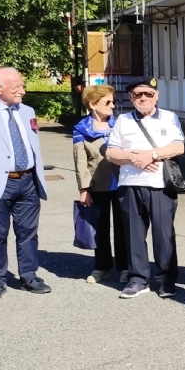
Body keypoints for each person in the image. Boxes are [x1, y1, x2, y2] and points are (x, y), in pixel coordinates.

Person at [0, 67, 51, 300]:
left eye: (22, 86)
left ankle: (29, 276)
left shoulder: (27, 111)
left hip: (28, 181)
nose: (23, 91)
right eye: (17, 88)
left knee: (28, 233)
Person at [104, 77, 184, 299]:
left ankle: (166, 279)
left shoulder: (169, 118)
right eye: (138, 94)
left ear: (156, 96)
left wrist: (152, 155)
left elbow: (179, 146)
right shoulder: (122, 121)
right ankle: (138, 279)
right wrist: (132, 157)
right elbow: (111, 153)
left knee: (163, 234)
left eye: (148, 94)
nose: (143, 98)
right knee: (133, 234)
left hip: (160, 185)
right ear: (131, 97)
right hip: (130, 184)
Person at [72, 84, 129, 284]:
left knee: (124, 228)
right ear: (93, 104)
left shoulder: (120, 124)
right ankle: (102, 266)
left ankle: (125, 266)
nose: (112, 106)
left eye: (113, 102)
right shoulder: (81, 129)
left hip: (123, 183)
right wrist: (84, 189)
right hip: (98, 185)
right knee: (100, 227)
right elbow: (80, 162)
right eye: (107, 102)